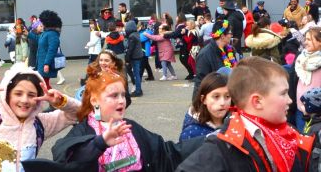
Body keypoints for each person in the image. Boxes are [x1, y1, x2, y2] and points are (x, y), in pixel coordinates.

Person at [29, 65, 202, 172]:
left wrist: (210, 139)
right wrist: (100, 142)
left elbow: (166, 153)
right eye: (113, 95)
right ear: (95, 100)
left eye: (123, 95)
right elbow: (70, 161)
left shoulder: (131, 127)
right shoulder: (83, 130)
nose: (121, 100)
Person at [177, 57, 314, 172]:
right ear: (257, 101)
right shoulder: (223, 149)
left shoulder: (286, 131)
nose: (290, 100)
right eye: (283, 93)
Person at [179, 73, 230, 142]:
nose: (222, 103)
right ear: (203, 99)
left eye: (227, 96)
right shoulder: (192, 133)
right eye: (216, 96)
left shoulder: (236, 123)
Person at [193, 20, 237, 99]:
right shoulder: (205, 54)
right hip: (213, 98)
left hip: (229, 96)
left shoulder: (230, 50)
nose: (232, 35)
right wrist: (197, 105)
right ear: (223, 36)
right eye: (230, 33)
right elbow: (200, 82)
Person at [294, 27, 321, 132]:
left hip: (317, 113)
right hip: (300, 109)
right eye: (306, 39)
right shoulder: (301, 58)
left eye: (309, 39)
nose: (305, 42)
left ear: (319, 42)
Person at [30, 10, 63, 90]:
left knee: (44, 85)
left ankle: (56, 101)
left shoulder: (52, 34)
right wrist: (28, 34)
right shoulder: (47, 33)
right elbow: (38, 39)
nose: (40, 23)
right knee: (45, 85)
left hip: (45, 63)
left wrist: (47, 64)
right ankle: (54, 101)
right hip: (42, 63)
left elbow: (52, 50)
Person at [125, 20, 144, 97]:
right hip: (138, 56)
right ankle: (139, 89)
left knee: (136, 74)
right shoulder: (136, 34)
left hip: (134, 57)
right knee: (137, 74)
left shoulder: (132, 36)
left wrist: (127, 59)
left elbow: (130, 49)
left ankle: (138, 91)